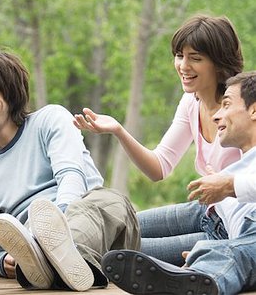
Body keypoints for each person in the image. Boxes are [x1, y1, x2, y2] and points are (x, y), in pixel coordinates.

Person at [0, 46, 140, 291]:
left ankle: (53, 258)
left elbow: (71, 177)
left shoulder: (49, 120)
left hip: (97, 231)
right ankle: (55, 266)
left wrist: (53, 231)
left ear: (10, 92)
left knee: (109, 199)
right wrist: (2, 262)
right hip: (30, 251)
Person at [74, 14, 243, 266]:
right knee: (118, 224)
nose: (183, 66)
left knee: (118, 248)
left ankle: (52, 259)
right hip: (204, 210)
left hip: (231, 228)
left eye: (195, 58)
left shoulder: (242, 110)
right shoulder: (191, 102)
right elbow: (159, 167)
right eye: (179, 55)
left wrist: (228, 183)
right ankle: (44, 245)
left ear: (219, 63)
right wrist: (118, 131)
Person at [102, 71, 256, 295]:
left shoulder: (235, 177)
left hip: (234, 241)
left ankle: (193, 279)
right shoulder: (242, 165)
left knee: (229, 253)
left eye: (227, 104)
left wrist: (229, 186)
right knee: (117, 228)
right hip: (223, 228)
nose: (216, 115)